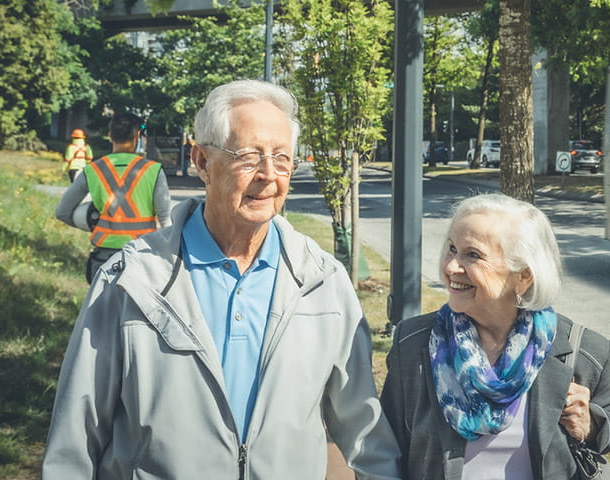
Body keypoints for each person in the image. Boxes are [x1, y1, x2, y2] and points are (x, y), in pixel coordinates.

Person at [42, 80, 402, 479]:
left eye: (282, 159)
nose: (269, 175)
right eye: (249, 157)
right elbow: (75, 439)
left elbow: (366, 433)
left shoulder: (323, 282)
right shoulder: (129, 282)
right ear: (201, 161)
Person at [380, 193, 610, 479]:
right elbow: (384, 450)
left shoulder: (581, 350)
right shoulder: (413, 343)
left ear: (523, 276)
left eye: (472, 254)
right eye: (452, 248)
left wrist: (589, 424)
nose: (451, 267)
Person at [54, 113, 171, 283]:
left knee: (101, 310)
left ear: (110, 136)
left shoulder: (92, 170)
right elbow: (166, 221)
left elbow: (62, 212)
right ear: (137, 136)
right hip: (142, 256)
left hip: (104, 260)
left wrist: (90, 222)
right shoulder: (153, 171)